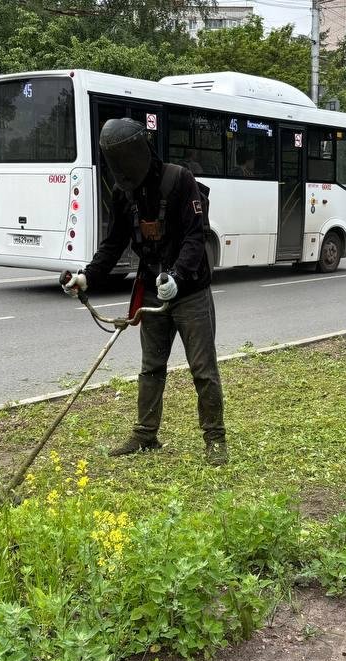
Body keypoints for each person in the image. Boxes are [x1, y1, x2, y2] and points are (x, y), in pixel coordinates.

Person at [61, 118, 227, 466]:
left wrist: (178, 277)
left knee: (203, 369)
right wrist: (87, 277)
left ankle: (215, 440)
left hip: (190, 291)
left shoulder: (180, 180)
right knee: (151, 366)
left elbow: (197, 238)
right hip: (151, 290)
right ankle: (145, 434)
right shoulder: (123, 192)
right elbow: (114, 243)